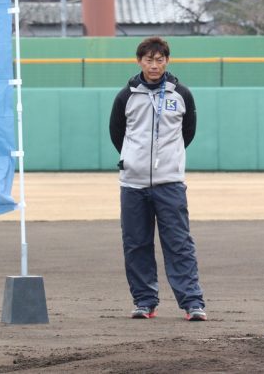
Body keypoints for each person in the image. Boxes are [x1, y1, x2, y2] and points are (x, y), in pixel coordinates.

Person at [109, 36, 206, 321]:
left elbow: (188, 132)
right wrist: (133, 160)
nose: (154, 65)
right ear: (139, 61)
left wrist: (168, 161)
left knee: (178, 243)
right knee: (136, 243)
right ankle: (144, 301)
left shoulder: (182, 95)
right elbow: (117, 133)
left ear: (167, 61)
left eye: (159, 59)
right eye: (149, 60)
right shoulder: (125, 96)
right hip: (133, 184)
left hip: (170, 182)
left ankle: (192, 303)